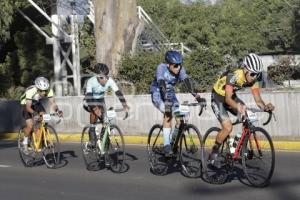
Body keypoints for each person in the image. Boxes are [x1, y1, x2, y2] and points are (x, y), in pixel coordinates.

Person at [209, 53, 275, 165]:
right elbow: (228, 99)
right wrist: (238, 106)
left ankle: (239, 147)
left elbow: (258, 100)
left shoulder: (254, 80)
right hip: (218, 98)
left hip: (230, 96)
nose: (255, 77)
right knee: (228, 127)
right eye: (253, 74)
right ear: (245, 69)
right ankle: (214, 152)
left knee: (247, 115)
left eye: (257, 75)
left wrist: (265, 107)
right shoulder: (234, 75)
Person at [150, 50, 204, 156]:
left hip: (170, 93)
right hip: (157, 92)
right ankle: (166, 145)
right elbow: (161, 84)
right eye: (175, 66)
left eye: (179, 65)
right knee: (168, 112)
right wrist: (166, 99)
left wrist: (197, 97)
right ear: (168, 64)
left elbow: (187, 82)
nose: (178, 68)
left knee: (180, 119)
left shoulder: (180, 70)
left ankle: (172, 143)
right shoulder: (161, 68)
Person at [83, 63, 129, 147]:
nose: (104, 80)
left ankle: (102, 140)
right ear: (97, 76)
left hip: (100, 100)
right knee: (95, 112)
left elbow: (118, 93)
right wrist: (95, 108)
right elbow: (89, 98)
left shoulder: (110, 80)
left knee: (106, 119)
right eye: (101, 77)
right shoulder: (91, 82)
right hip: (89, 100)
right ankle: (92, 134)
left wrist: (124, 105)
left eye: (105, 77)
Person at [20, 76, 63, 153]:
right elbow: (28, 107)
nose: (43, 92)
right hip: (26, 104)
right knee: (30, 125)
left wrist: (57, 110)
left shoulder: (49, 90)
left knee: (44, 118)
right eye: (41, 91)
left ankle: (45, 138)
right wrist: (34, 113)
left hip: (36, 103)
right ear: (37, 88)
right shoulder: (31, 91)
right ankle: (25, 142)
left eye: (45, 90)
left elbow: (53, 103)